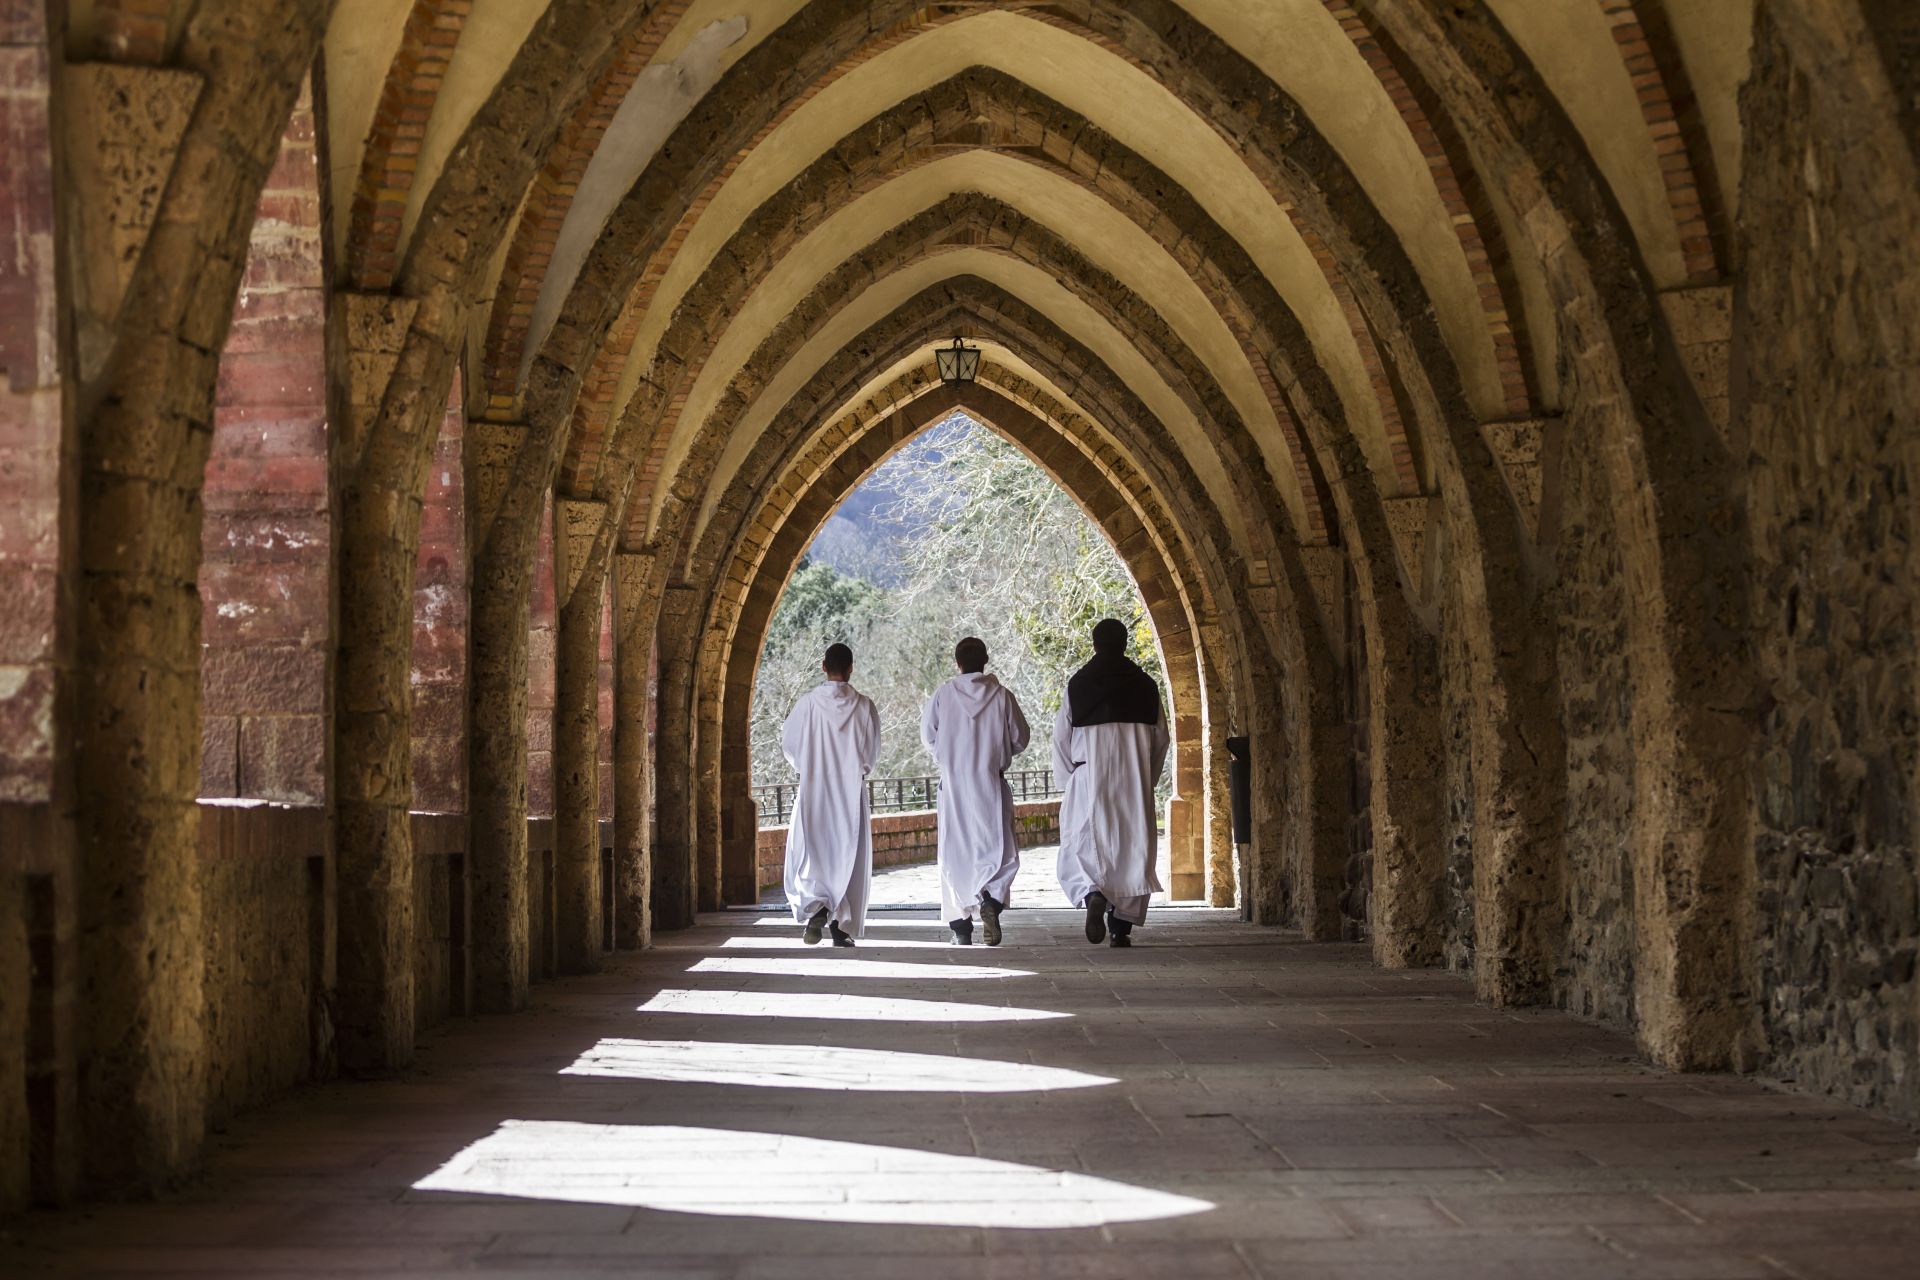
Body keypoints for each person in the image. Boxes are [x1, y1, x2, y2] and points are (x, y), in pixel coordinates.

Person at [1052, 618, 1169, 947]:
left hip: (1089, 775)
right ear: (1125, 644)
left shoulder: (1078, 685)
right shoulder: (1145, 685)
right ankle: (1120, 927)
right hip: (1133, 777)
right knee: (1132, 849)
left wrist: (1070, 781)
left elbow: (1061, 738)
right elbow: (1161, 738)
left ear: (1095, 644)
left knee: (1086, 843)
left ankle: (1092, 895)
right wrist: (1147, 778)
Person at [922, 636, 1031, 946]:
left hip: (954, 784)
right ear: (986, 660)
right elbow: (1020, 738)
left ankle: (961, 928)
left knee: (954, 853)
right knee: (1000, 849)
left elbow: (929, 736)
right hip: (990, 782)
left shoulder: (943, 695)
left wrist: (952, 755)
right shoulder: (1002, 696)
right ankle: (991, 902)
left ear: (958, 664)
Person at [781, 642, 881, 947]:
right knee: (849, 855)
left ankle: (816, 910)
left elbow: (790, 746)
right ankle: (841, 927)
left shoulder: (807, 704)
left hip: (815, 790)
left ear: (823, 666)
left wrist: (810, 766)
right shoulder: (864, 707)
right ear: (851, 668)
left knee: (814, 853)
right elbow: (870, 756)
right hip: (849, 792)